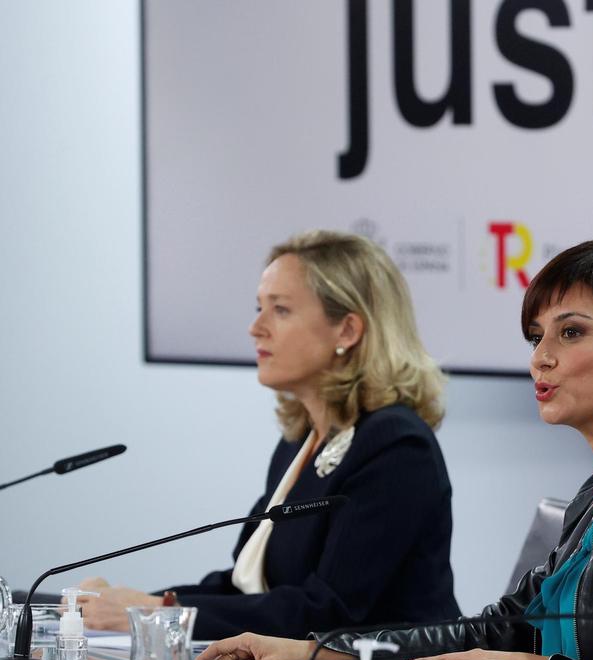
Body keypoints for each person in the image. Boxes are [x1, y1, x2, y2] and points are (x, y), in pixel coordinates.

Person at [194, 239, 593, 660]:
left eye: (571, 333)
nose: (542, 359)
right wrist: (316, 650)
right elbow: (497, 630)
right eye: (536, 338)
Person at [74, 230, 460, 639]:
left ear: (347, 331)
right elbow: (248, 587)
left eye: (280, 310)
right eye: (259, 308)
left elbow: (330, 611)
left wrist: (152, 613)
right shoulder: (300, 441)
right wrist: (137, 604)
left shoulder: (397, 447)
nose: (256, 328)